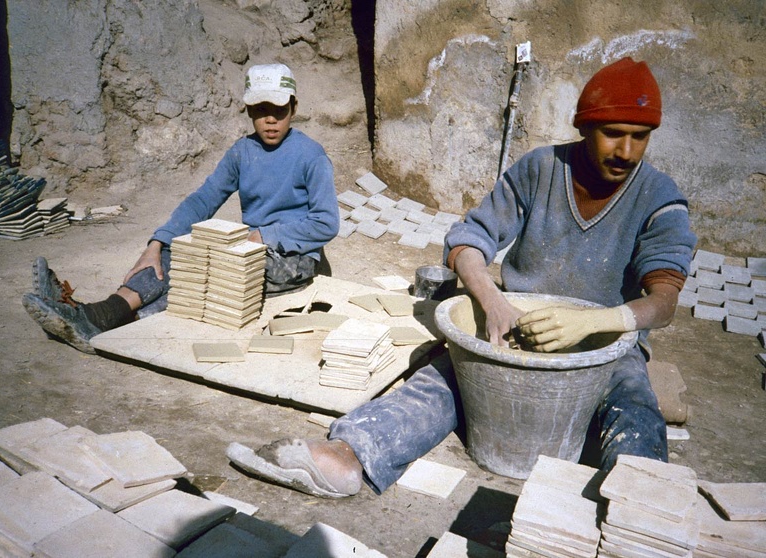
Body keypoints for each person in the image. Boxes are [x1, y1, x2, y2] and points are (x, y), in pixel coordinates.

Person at [225, 57, 697, 498]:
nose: (627, 151)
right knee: (442, 380)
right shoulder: (540, 169)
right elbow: (467, 240)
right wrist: (493, 301)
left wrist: (593, 323)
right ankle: (350, 456)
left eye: (640, 137)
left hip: (607, 343)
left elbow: (663, 301)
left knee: (635, 408)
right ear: (585, 127)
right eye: (613, 134)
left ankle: (640, 510)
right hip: (518, 328)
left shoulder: (658, 196)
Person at [22, 63, 339, 354]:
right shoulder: (243, 151)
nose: (270, 119)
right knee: (177, 257)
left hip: (294, 256)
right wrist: (159, 242)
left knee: (214, 271)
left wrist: (264, 235)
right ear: (249, 111)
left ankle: (102, 319)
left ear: (294, 108)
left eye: (279, 110)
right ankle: (98, 315)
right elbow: (205, 198)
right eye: (260, 110)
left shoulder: (310, 155)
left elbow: (326, 224)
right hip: (249, 248)